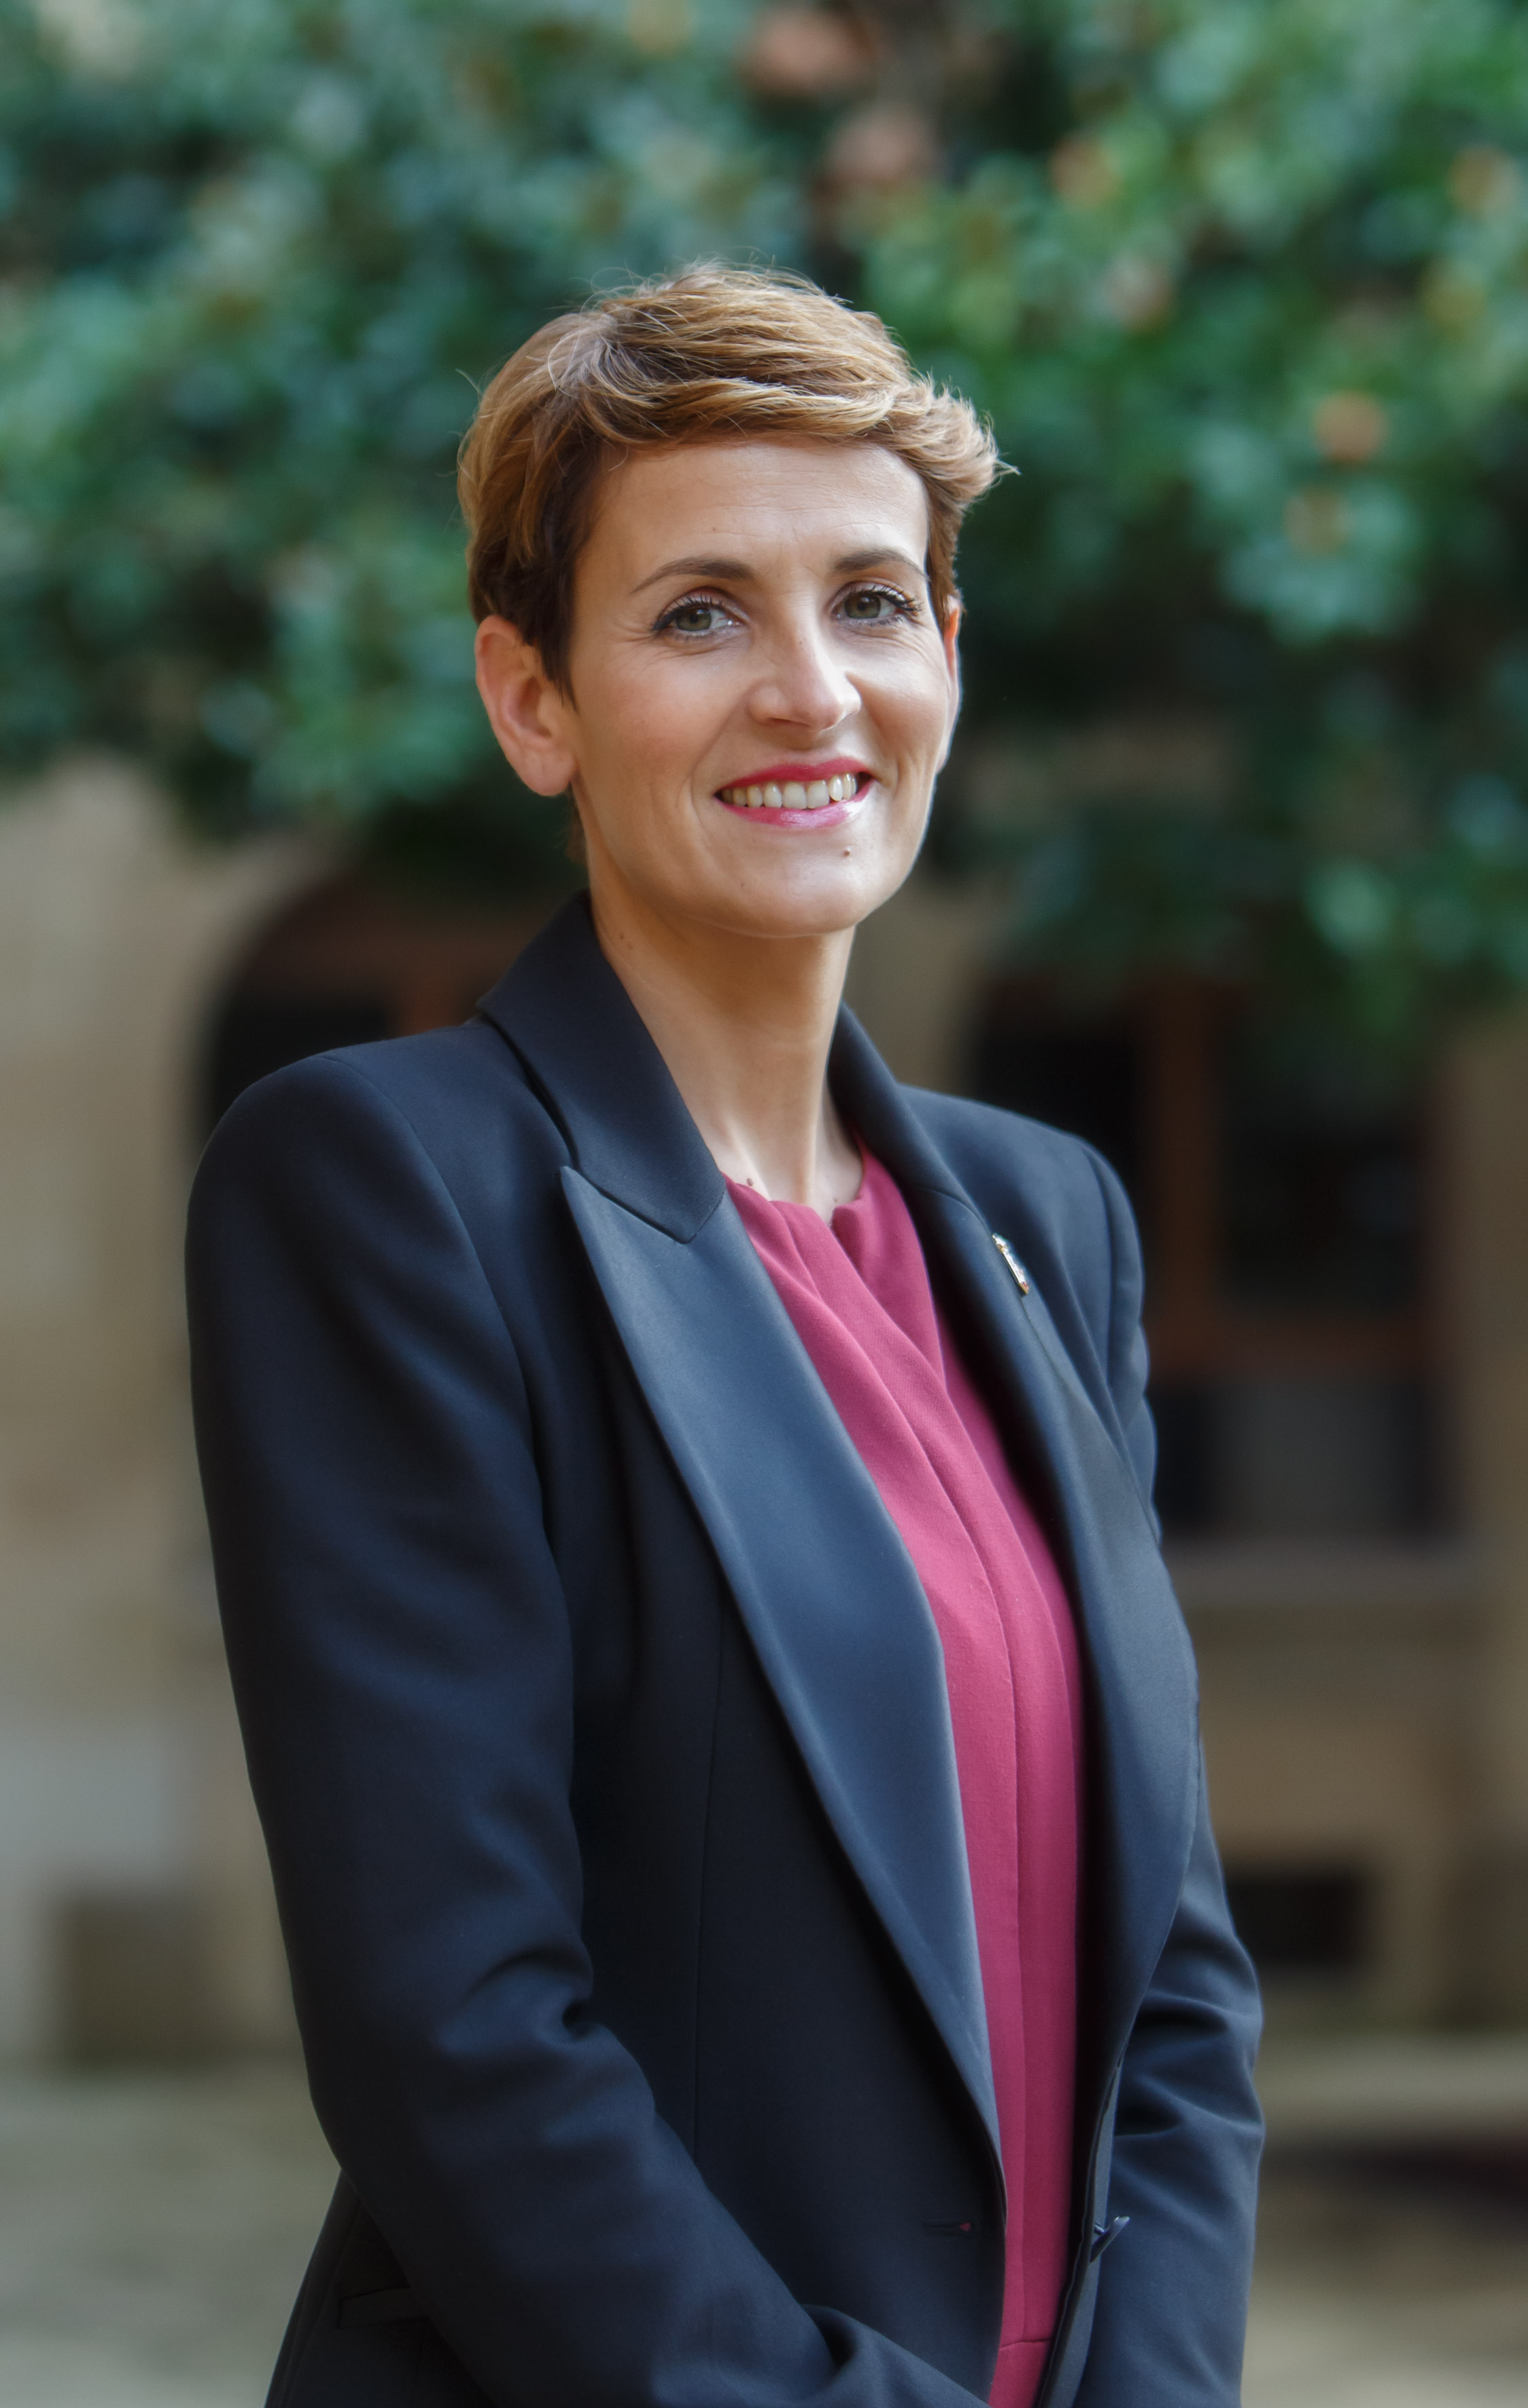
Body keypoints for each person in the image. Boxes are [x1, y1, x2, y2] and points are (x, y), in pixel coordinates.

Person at [187, 266, 1262, 2408]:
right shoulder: (384, 1189)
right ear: (533, 703)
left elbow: (1174, 1982)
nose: (808, 689)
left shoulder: (1052, 1221)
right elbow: (451, 2023)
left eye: (869, 602)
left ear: (945, 656)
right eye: (697, 615)